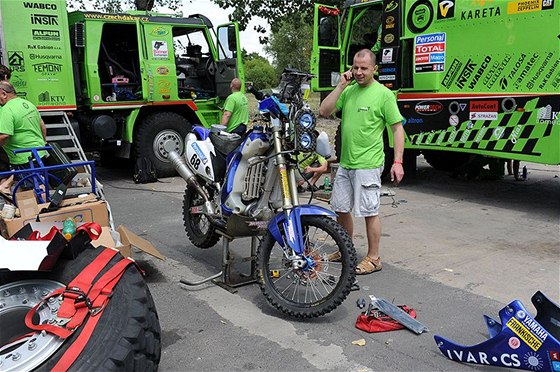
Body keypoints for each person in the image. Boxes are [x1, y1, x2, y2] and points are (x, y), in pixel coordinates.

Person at [319, 49, 405, 275]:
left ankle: (374, 258)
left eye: (364, 68)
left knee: (369, 210)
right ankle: (345, 249)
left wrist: (398, 161)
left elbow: (397, 129)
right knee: (340, 208)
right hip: (346, 163)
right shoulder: (348, 92)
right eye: (355, 67)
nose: (358, 72)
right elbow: (324, 111)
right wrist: (340, 85)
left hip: (368, 163)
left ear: (374, 69)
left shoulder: (383, 95)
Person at [0, 81, 47, 190]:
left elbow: (4, 135)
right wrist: (43, 142)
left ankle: (43, 206)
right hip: (39, 152)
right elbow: (43, 126)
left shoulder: (7, 109)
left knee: (36, 188)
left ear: (3, 94)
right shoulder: (28, 104)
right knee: (31, 186)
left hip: (24, 157)